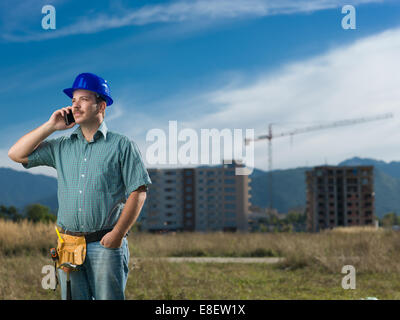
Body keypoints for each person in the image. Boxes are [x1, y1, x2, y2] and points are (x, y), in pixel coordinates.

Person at [8, 72, 152, 300]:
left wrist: (118, 234)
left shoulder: (122, 145)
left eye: (83, 99)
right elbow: (15, 154)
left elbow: (139, 191)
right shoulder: (61, 147)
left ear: (101, 106)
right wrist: (50, 126)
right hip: (68, 245)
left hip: (106, 244)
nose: (75, 105)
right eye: (73, 100)